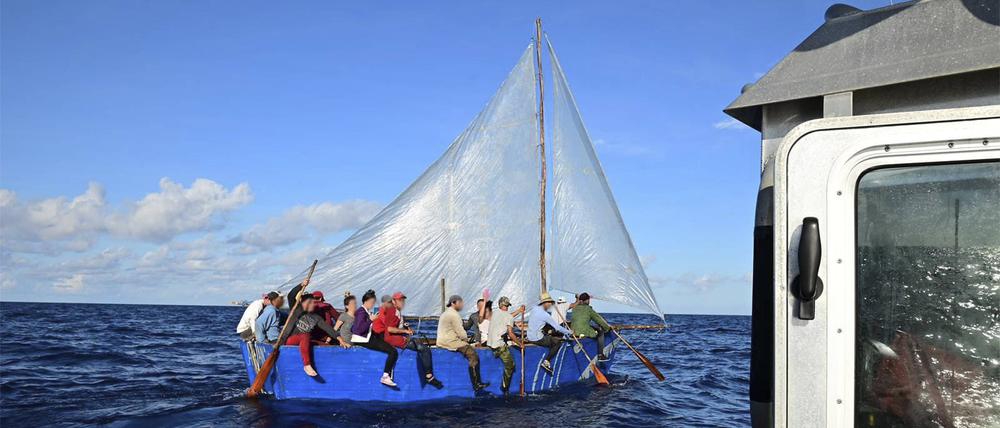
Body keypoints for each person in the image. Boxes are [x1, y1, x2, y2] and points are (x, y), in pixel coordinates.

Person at [372, 292, 444, 388]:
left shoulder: (394, 310)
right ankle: (429, 377)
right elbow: (389, 329)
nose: (402, 302)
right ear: (393, 301)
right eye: (400, 300)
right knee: (423, 348)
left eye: (403, 300)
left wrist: (406, 329)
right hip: (390, 338)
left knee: (418, 342)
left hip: (386, 336)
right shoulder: (392, 310)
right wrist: (405, 332)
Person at [437, 295, 490, 391]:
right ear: (453, 303)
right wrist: (465, 341)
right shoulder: (454, 315)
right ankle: (477, 384)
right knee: (473, 355)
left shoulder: (445, 313)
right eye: (460, 303)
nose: (461, 305)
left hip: (442, 340)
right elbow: (461, 333)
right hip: (451, 341)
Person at [351, 289, 399, 387]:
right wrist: (370, 320)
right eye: (372, 302)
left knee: (386, 340)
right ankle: (385, 376)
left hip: (366, 338)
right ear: (366, 301)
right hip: (363, 340)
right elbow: (358, 330)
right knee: (393, 351)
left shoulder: (364, 312)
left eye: (374, 302)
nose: (373, 304)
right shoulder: (361, 312)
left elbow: (355, 328)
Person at [284, 294, 340, 376]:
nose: (314, 304)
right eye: (311, 302)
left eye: (314, 303)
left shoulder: (316, 318)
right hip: (290, 340)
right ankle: (307, 365)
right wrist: (301, 285)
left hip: (304, 342)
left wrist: (340, 339)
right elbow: (290, 296)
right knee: (305, 335)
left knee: (325, 345)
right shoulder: (297, 310)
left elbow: (328, 329)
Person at [486, 296, 526, 395]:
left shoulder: (495, 313)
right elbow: (511, 334)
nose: (508, 307)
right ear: (506, 305)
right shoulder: (508, 316)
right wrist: (520, 344)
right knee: (510, 365)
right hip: (499, 345)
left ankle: (504, 387)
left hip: (490, 343)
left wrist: (518, 311)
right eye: (507, 306)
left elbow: (508, 317)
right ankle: (505, 387)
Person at [527, 292, 572, 375]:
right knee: (557, 342)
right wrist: (570, 332)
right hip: (537, 339)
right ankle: (546, 361)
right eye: (549, 303)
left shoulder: (534, 309)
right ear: (545, 303)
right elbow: (558, 328)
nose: (550, 305)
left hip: (529, 336)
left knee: (547, 332)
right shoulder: (545, 315)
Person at [570, 292, 612, 361]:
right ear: (586, 300)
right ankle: (600, 355)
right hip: (583, 332)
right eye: (588, 300)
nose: (589, 301)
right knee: (601, 332)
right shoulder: (589, 309)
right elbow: (599, 320)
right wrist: (607, 328)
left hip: (573, 332)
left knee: (594, 328)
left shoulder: (574, 308)